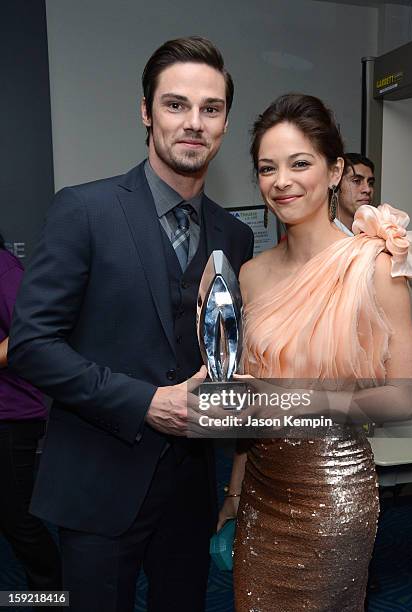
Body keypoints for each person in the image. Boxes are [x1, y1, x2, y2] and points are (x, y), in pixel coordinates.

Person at [8, 37, 253, 612]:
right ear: (146, 112)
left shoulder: (233, 236)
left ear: (224, 123)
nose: (193, 123)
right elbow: (31, 345)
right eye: (175, 104)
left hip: (191, 486)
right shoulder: (83, 210)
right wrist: (145, 401)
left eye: (210, 109)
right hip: (99, 483)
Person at [217, 94, 412, 611]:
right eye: (267, 168)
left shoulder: (374, 264)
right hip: (261, 493)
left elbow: (403, 401)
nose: (281, 181)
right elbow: (248, 404)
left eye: (299, 163)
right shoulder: (250, 273)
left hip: (333, 491)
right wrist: (233, 493)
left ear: (335, 171)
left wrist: (293, 401)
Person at [0, 233, 61, 593]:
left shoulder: (4, 267)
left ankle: (52, 595)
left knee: (17, 520)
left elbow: (28, 332)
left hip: (10, 417)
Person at [335, 152, 376, 235]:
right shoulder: (322, 234)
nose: (367, 189)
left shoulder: (376, 233)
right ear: (336, 184)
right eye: (356, 181)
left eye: (370, 183)